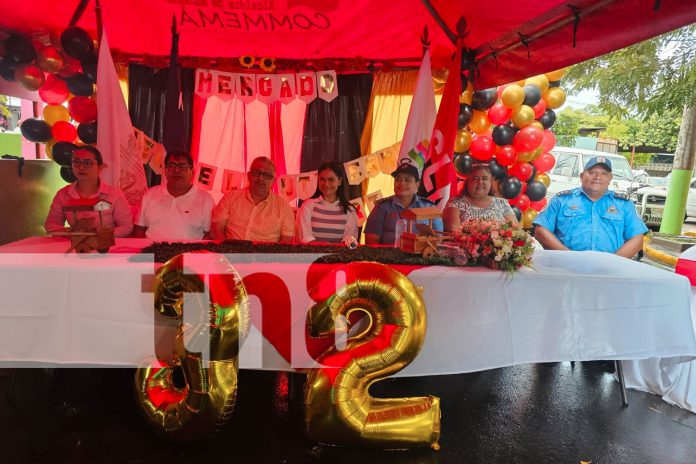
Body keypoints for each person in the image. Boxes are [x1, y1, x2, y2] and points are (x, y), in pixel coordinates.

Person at [533, 156, 648, 258]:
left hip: (610, 271)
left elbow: (637, 238)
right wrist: (567, 257)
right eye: (592, 172)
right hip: (565, 267)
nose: (597, 177)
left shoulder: (624, 204)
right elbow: (541, 231)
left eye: (604, 173)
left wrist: (614, 262)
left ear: (610, 178)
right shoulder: (562, 200)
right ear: (582, 176)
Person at [44, 145, 133, 237]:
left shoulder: (114, 195)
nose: (81, 167)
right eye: (76, 162)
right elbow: (51, 224)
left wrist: (100, 235)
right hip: (74, 245)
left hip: (106, 245)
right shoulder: (62, 194)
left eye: (87, 163)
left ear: (100, 167)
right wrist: (69, 233)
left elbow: (127, 227)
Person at [133, 150, 214, 240]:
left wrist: (195, 253)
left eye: (182, 166)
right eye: (171, 166)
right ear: (165, 170)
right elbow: (139, 228)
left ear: (192, 171)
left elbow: (210, 234)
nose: (176, 170)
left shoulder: (205, 199)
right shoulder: (150, 195)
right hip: (153, 252)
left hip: (188, 253)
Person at [210, 156, 295, 242]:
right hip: (230, 252)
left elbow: (286, 243)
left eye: (267, 175)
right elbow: (216, 230)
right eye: (257, 173)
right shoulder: (230, 198)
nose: (261, 178)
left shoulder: (284, 208)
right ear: (249, 175)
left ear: (273, 180)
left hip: (266, 255)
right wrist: (228, 252)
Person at [364, 161, 443, 245]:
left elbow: (439, 239)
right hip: (388, 256)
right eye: (398, 179)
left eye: (407, 180)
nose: (401, 183)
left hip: (420, 256)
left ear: (417, 185)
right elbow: (371, 242)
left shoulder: (429, 207)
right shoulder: (382, 207)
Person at [444, 163, 518, 232]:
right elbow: (453, 231)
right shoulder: (456, 203)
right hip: (466, 245)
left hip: (500, 245)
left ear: (490, 182)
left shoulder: (501, 203)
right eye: (475, 178)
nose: (480, 182)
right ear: (467, 182)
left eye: (484, 178)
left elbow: (514, 229)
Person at [297, 161, 358, 244]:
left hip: (338, 256)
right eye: (322, 179)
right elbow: (305, 238)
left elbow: (350, 241)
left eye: (331, 179)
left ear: (339, 181)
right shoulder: (308, 206)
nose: (326, 184)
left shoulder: (350, 211)